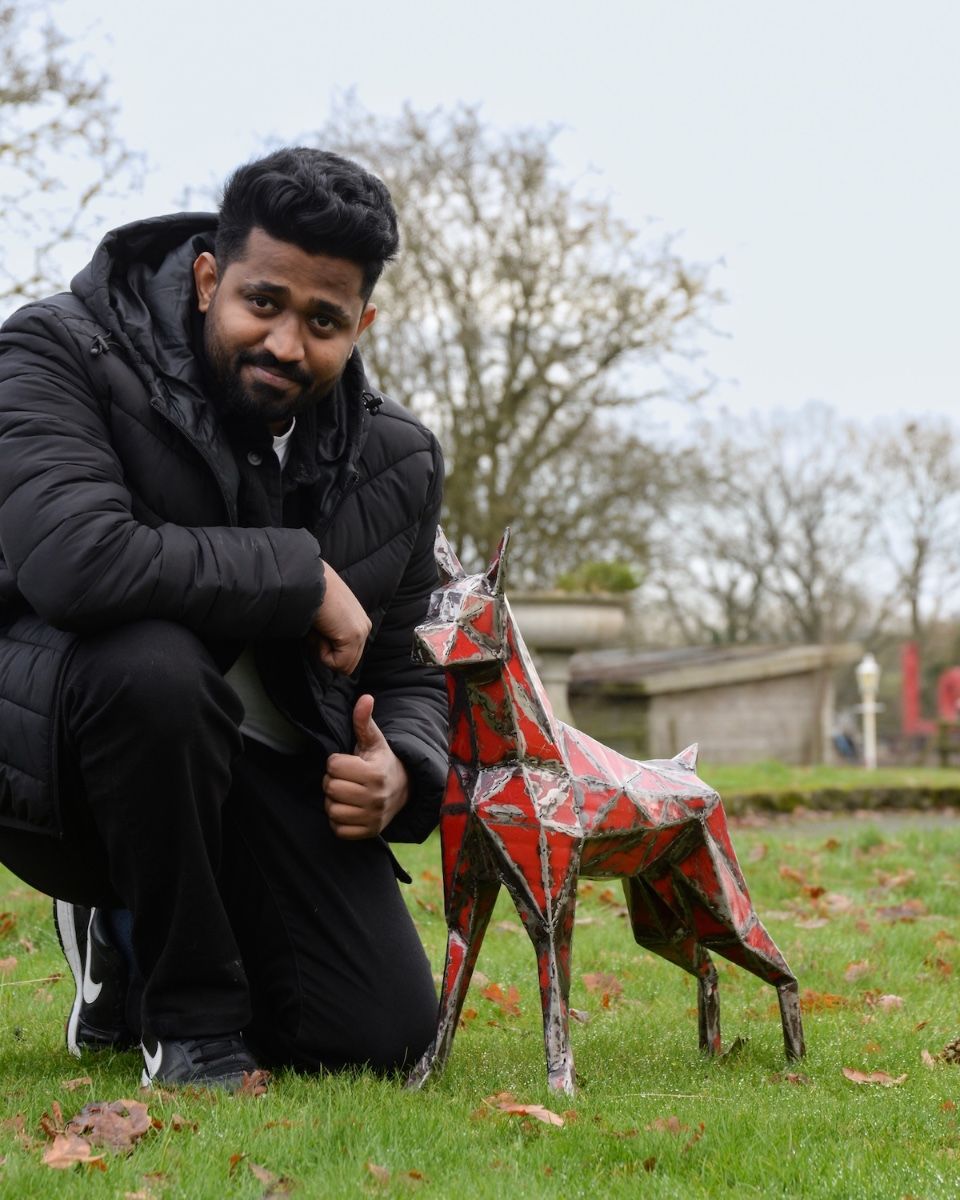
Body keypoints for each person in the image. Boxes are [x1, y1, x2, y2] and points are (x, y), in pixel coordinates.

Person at [0, 148, 448, 1089]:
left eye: (324, 322)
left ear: (362, 323)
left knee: (381, 1036)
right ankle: (187, 1019)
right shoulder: (54, 351)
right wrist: (303, 576)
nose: (287, 343)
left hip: (254, 764)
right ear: (210, 277)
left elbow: (412, 664)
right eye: (264, 302)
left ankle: (141, 929)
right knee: (155, 667)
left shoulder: (399, 456)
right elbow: (79, 562)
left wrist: (403, 766)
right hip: (66, 752)